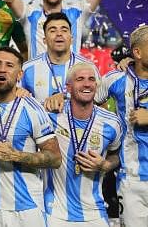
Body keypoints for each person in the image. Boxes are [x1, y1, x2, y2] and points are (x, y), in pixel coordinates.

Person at [0, 47, 61, 226]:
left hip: (25, 208)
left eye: (9, 65)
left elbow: (55, 158)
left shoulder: (32, 109)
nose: (2, 69)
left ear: (19, 74)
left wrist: (16, 155)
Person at [44, 63, 122, 226]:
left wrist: (106, 164)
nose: (87, 84)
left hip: (94, 212)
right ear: (68, 87)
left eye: (91, 79)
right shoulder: (51, 116)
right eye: (80, 79)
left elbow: (116, 155)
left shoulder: (112, 123)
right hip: (55, 212)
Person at [95, 24, 148, 225]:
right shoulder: (116, 79)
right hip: (131, 179)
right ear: (137, 52)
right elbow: (88, 102)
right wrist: (110, 127)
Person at [21, 12, 99, 109]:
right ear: (44, 39)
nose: (59, 34)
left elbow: (98, 100)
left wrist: (65, 96)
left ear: (71, 38)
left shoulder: (88, 68)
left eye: (64, 30)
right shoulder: (27, 69)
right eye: (52, 31)